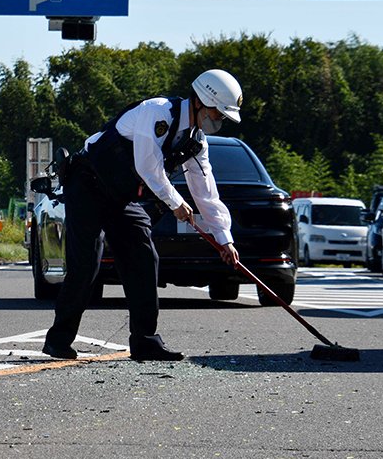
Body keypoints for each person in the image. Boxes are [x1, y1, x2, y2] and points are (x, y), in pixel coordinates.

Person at [42, 69, 243, 362]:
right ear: (200, 100)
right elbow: (148, 166)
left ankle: (145, 342)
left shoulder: (197, 142)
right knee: (86, 264)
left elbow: (206, 191)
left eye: (223, 117)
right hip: (88, 185)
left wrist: (225, 239)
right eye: (218, 112)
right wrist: (175, 202)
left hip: (122, 197)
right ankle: (58, 341)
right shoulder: (158, 113)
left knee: (144, 258)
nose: (219, 120)